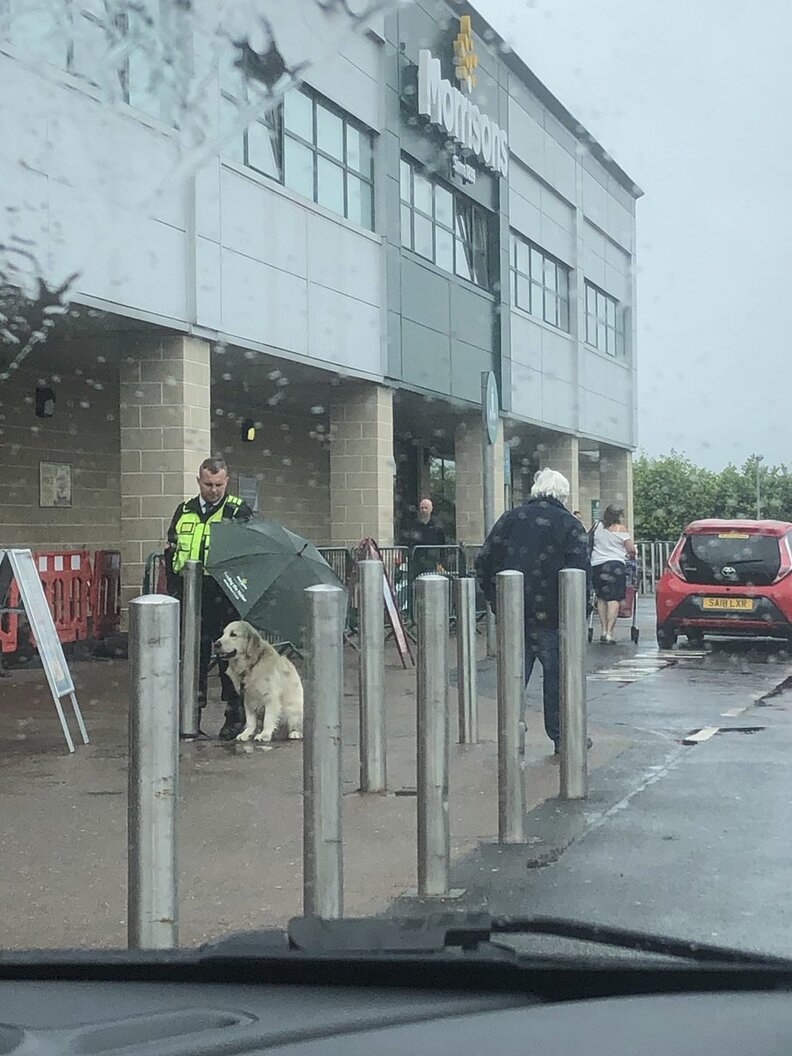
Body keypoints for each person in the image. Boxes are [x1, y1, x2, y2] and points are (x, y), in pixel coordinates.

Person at [475, 468, 591, 760]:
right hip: (554, 615)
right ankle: (562, 737)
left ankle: (511, 733)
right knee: (558, 680)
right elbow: (581, 573)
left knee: (513, 678)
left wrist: (495, 599)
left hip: (515, 613)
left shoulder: (510, 519)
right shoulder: (569, 524)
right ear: (562, 495)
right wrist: (580, 612)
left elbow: (484, 561)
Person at [165, 457, 253, 739]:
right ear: (198, 481)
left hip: (225, 596)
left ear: (227, 482)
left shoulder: (237, 511)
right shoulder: (185, 510)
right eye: (208, 484)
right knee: (193, 657)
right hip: (192, 596)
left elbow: (247, 552)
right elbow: (172, 550)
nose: (213, 490)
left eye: (218, 484)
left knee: (231, 659)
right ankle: (191, 716)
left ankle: (234, 717)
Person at [590, 504, 637, 644]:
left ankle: (603, 630)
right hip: (615, 566)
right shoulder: (620, 529)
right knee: (614, 599)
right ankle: (610, 632)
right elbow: (631, 549)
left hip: (597, 565)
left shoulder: (597, 526)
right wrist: (631, 555)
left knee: (601, 598)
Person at [401, 497, 447, 578]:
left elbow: (443, 543)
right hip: (417, 560)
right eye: (422, 508)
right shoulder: (414, 525)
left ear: (431, 509)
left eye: (426, 508)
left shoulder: (437, 525)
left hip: (432, 560)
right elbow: (409, 542)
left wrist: (442, 561)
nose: (424, 510)